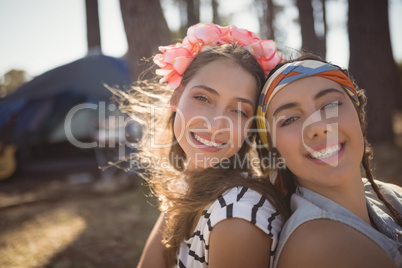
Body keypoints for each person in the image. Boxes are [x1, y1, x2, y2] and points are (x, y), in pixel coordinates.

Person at [134, 23, 288, 268]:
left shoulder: (237, 216)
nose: (216, 125)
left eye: (239, 110)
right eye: (203, 98)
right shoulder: (187, 182)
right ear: (176, 96)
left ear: (252, 126)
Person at [256, 54, 402, 267]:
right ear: (275, 150)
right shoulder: (318, 246)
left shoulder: (389, 195)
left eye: (331, 105)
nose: (318, 127)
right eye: (290, 119)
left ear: (358, 114)